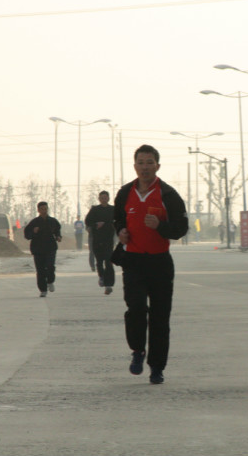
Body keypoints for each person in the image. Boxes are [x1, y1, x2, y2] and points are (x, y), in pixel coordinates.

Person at [113, 145, 188, 384]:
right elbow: (118, 220)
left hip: (160, 263)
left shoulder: (168, 195)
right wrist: (121, 232)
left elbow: (181, 229)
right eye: (141, 163)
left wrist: (160, 226)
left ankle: (157, 368)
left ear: (157, 166)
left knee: (160, 318)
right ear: (134, 166)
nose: (145, 167)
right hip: (133, 261)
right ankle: (137, 350)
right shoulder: (125, 193)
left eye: (149, 163)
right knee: (135, 308)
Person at [24, 201, 62, 297]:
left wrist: (58, 237)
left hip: (50, 248)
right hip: (38, 249)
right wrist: (33, 231)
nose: (44, 211)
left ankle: (50, 281)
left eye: (45, 209)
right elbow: (27, 235)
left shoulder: (53, 221)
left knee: (50, 266)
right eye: (42, 209)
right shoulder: (34, 222)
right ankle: (43, 290)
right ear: (38, 210)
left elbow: (57, 231)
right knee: (40, 270)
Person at [85, 190, 116, 295]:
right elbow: (87, 221)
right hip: (97, 239)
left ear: (108, 198)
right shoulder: (95, 210)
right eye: (102, 198)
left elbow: (119, 220)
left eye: (105, 197)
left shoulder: (113, 209)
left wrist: (114, 225)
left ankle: (109, 285)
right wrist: (95, 225)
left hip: (108, 239)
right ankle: (101, 276)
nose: (104, 199)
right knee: (99, 261)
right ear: (99, 199)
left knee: (108, 261)